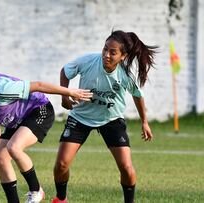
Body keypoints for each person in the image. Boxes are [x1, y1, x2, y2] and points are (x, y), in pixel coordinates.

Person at [0, 64, 93, 203]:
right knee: (0, 158)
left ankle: (36, 190)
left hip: (39, 110)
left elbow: (39, 85)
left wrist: (70, 92)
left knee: (14, 147)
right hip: (17, 118)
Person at [51, 30, 157, 203]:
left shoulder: (125, 75)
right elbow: (65, 71)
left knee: (126, 168)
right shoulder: (88, 61)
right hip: (80, 117)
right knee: (61, 165)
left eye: (113, 52)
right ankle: (61, 199)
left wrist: (144, 122)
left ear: (123, 56)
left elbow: (137, 95)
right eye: (105, 49)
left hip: (111, 120)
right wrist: (64, 96)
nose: (106, 55)